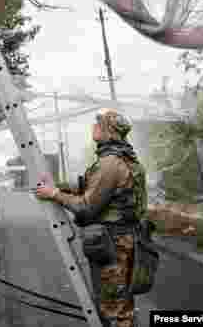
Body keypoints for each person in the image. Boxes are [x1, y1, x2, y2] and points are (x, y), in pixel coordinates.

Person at [33, 108, 148, 327]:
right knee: (120, 302)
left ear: (110, 131)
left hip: (113, 244)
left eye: (99, 123)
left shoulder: (110, 163)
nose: (94, 126)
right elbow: (87, 183)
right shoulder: (123, 159)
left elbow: (86, 207)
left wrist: (54, 194)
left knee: (114, 311)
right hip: (125, 241)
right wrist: (58, 185)